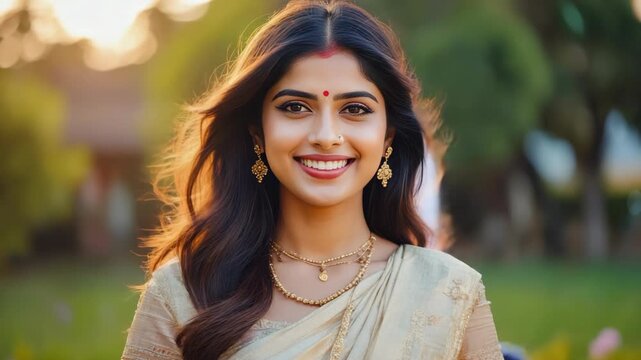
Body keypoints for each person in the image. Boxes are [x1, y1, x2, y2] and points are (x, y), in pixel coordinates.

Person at [121, 0, 502, 359]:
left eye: (354, 109)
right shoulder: (184, 294)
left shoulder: (447, 291)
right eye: (295, 107)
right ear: (258, 131)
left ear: (387, 136)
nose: (325, 134)